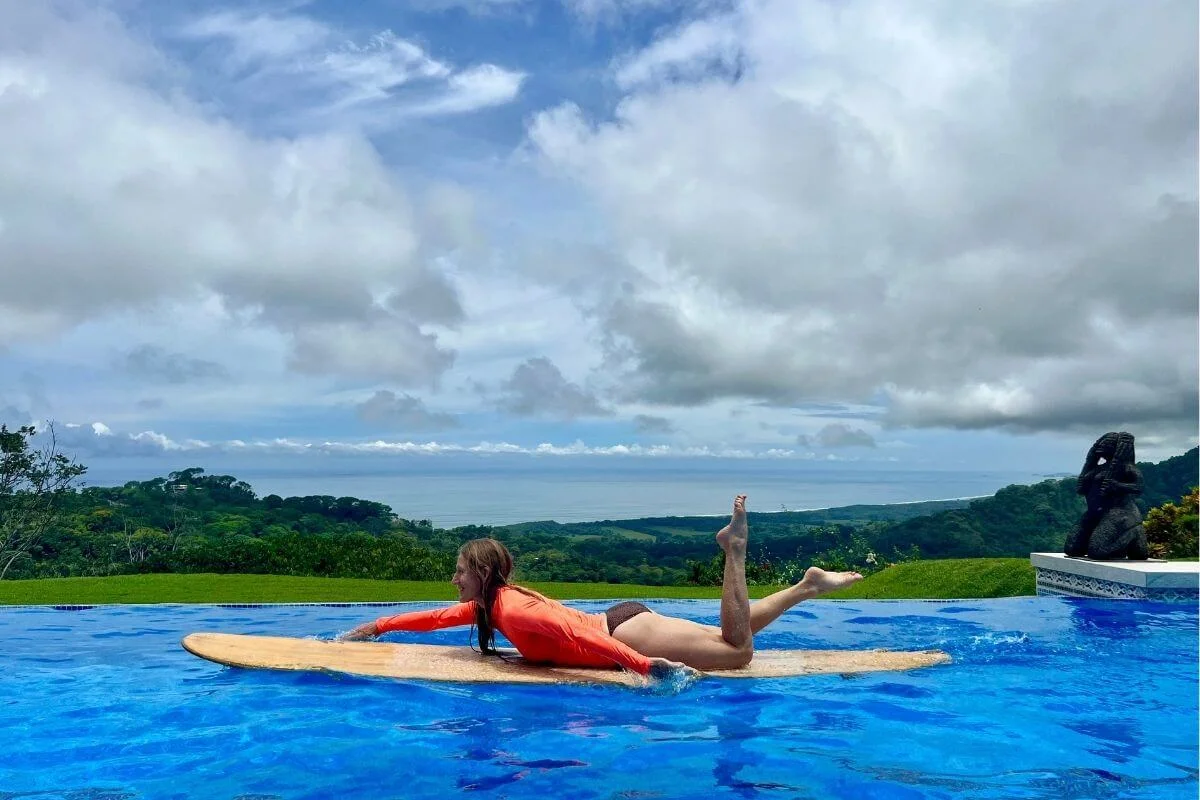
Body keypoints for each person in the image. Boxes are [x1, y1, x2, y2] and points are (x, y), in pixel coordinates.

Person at [340, 495, 863, 681]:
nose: (452, 580)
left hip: (626, 636)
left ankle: (734, 549)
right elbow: (435, 618)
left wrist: (644, 667)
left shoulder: (517, 613)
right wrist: (379, 626)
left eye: (459, 571)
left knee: (736, 654)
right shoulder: (492, 604)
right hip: (627, 621)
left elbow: (581, 639)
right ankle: (805, 587)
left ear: (481, 573)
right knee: (727, 633)